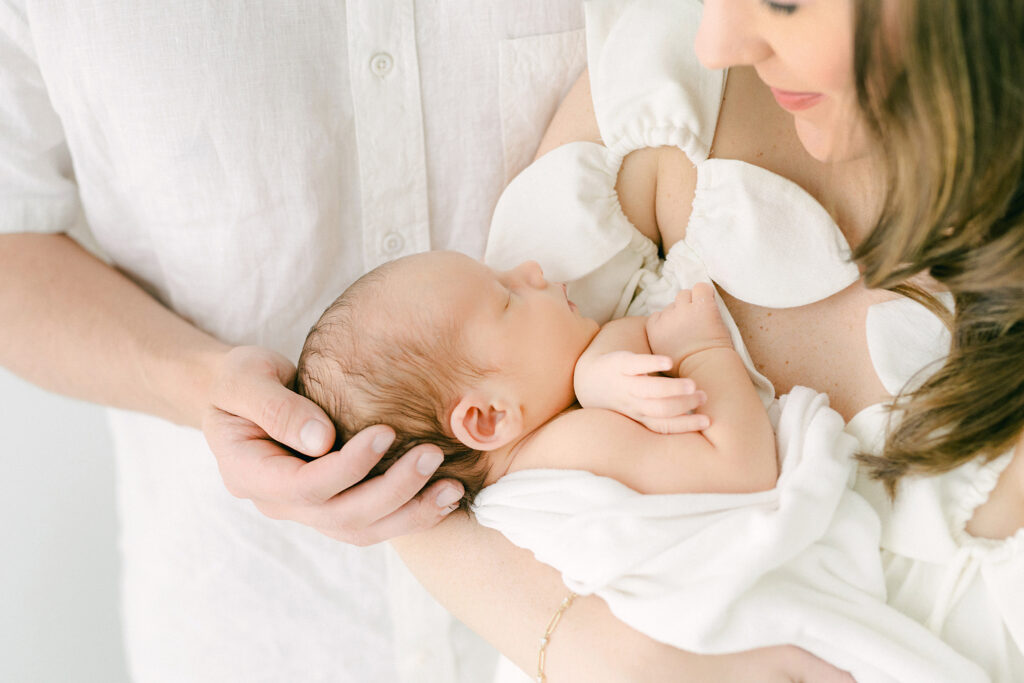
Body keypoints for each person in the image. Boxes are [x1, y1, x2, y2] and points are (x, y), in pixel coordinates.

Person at [0, 2, 607, 681]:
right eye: (504, 294)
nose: (531, 277)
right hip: (256, 625)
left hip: (597, 612)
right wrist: (201, 384)